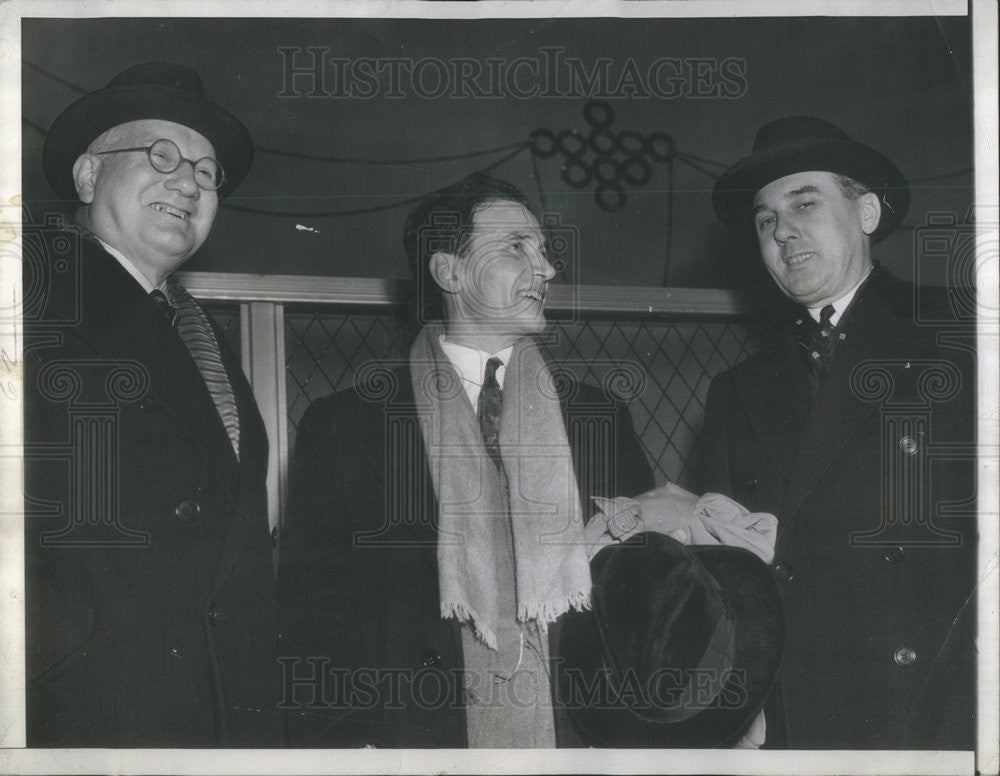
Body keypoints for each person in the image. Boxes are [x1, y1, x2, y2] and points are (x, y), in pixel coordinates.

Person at [277, 172, 654, 747]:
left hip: (578, 740)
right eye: (516, 247)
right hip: (421, 740)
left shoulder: (599, 420)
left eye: (545, 251)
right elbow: (313, 615)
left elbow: (645, 597)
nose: (548, 270)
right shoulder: (347, 426)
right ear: (448, 271)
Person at [23, 62, 282, 746]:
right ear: (87, 177)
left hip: (222, 718)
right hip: (82, 718)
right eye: (160, 155)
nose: (190, 180)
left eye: (206, 170)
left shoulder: (203, 338)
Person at [704, 116, 977, 749]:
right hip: (795, 712)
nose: (784, 232)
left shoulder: (961, 339)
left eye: (805, 204)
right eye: (765, 219)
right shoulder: (737, 389)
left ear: (868, 213)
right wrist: (742, 703)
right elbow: (728, 576)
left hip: (937, 704)